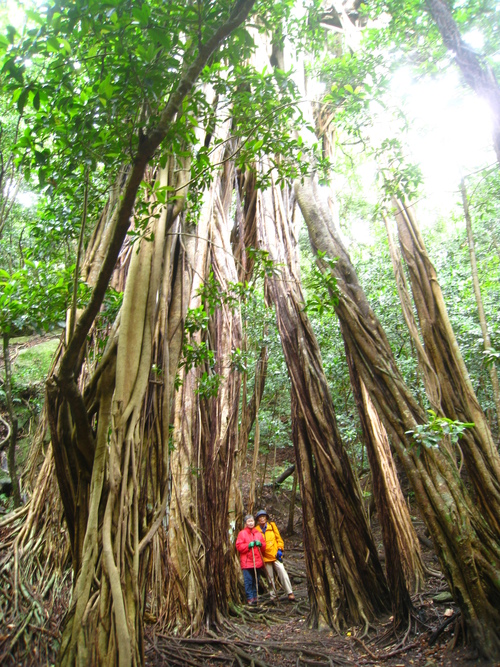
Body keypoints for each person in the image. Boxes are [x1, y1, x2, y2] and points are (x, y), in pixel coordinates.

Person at [255, 509, 295, 601]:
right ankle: (273, 596)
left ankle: (290, 592)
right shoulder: (256, 530)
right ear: (258, 519)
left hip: (275, 555)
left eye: (263, 517)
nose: (262, 519)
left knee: (282, 572)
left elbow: (279, 539)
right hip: (265, 557)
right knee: (270, 577)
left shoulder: (272, 526)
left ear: (266, 518)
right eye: (260, 517)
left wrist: (280, 549)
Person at [235, 514, 267, 605]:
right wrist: (248, 545)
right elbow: (239, 546)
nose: (250, 523)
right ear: (245, 523)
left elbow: (264, 547)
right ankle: (250, 599)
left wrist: (260, 544)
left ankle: (255, 597)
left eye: (252, 521)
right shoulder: (242, 533)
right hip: (247, 563)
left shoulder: (258, 533)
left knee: (255, 580)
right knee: (248, 581)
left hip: (257, 562)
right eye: (248, 521)